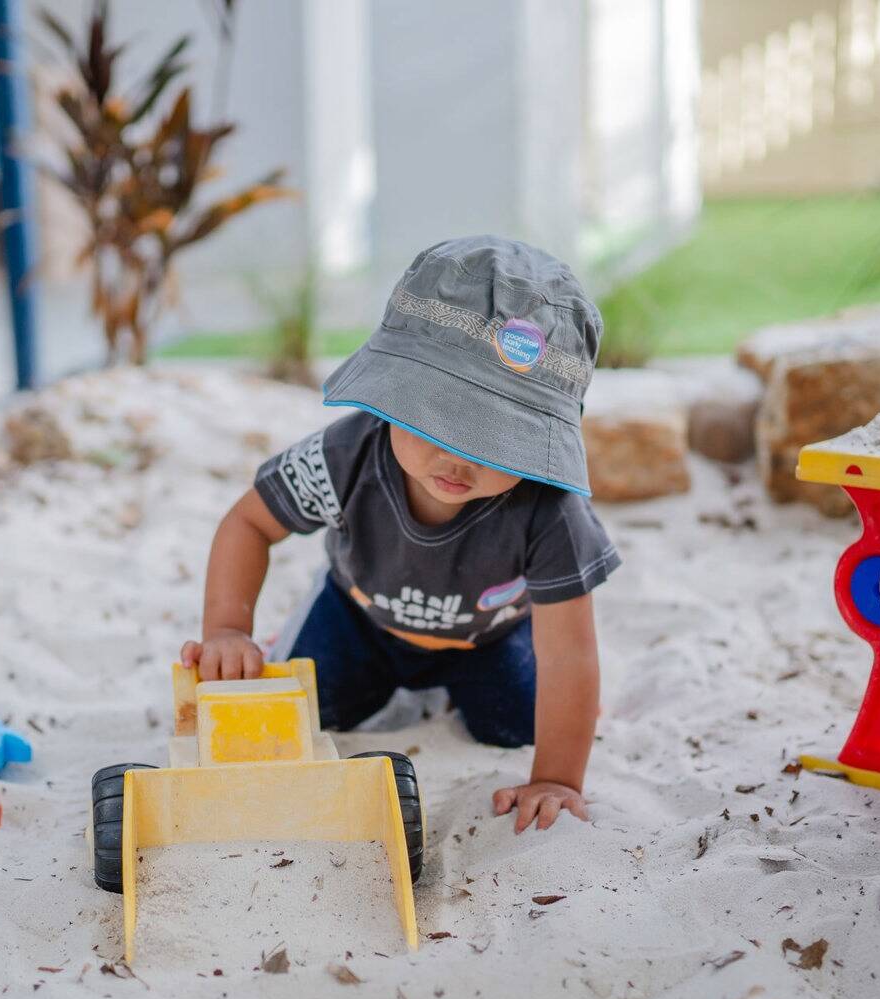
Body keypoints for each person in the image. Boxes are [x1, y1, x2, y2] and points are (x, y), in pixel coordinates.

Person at [181, 236, 620, 833]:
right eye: (435, 417)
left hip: (486, 639)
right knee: (307, 713)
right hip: (358, 615)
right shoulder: (347, 455)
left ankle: (442, 692)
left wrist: (556, 779)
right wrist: (228, 630)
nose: (458, 458)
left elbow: (569, 654)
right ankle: (344, 656)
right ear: (393, 396)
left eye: (496, 439)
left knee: (517, 725)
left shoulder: (551, 511)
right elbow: (249, 523)